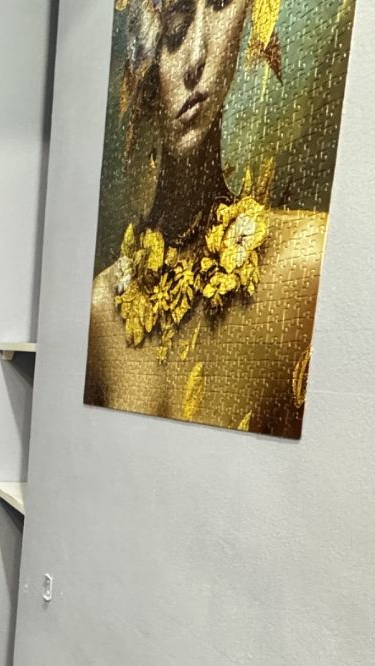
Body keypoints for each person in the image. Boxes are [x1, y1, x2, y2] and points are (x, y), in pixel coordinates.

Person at [84, 0, 326, 438]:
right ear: (146, 67)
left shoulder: (304, 263)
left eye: (219, 6)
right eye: (176, 27)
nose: (196, 57)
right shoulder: (102, 308)